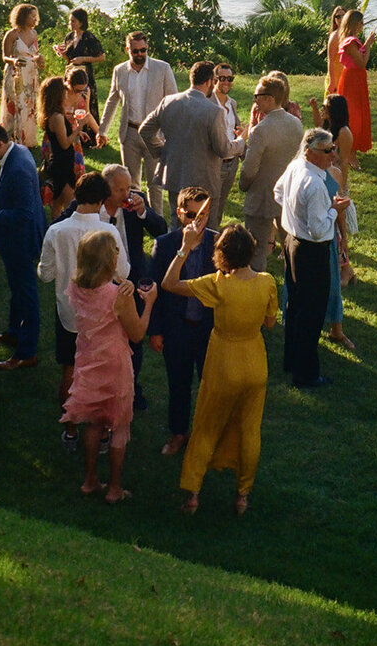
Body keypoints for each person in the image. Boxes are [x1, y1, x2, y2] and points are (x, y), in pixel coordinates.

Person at [162, 220, 278, 516]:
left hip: (224, 362)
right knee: (251, 430)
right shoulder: (267, 282)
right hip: (255, 364)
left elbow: (169, 283)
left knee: (205, 426)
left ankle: (192, 494)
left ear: (222, 255)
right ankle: (243, 496)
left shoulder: (217, 284)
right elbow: (269, 322)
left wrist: (184, 249)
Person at [60, 230, 157, 503]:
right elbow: (137, 334)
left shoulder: (77, 286)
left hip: (88, 360)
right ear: (108, 260)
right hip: (115, 364)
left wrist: (120, 284)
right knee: (119, 427)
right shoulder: (118, 296)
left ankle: (90, 479)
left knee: (93, 422)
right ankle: (115, 488)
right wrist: (149, 304)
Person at [38, 171, 128, 452]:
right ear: (102, 200)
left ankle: (70, 430)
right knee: (101, 373)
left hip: (69, 313)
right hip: (102, 315)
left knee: (71, 369)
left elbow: (45, 275)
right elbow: (123, 273)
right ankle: (100, 434)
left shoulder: (56, 230)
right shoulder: (109, 231)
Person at [274, 128, 350, 389]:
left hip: (292, 243)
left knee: (295, 305)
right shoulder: (317, 184)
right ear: (310, 151)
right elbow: (319, 229)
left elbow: (278, 192)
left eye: (334, 149)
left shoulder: (296, 166)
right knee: (312, 313)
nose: (333, 155)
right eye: (327, 150)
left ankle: (291, 360)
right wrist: (334, 209)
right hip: (312, 251)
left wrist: (295, 212)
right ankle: (306, 373)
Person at [0, 122, 47, 369]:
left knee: (26, 295)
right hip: (15, 240)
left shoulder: (19, 169)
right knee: (17, 289)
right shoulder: (18, 152)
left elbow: (24, 213)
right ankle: (14, 332)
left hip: (21, 242)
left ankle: (26, 352)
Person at [148, 187, 216, 457]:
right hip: (177, 328)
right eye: (191, 215)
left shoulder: (217, 242)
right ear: (179, 213)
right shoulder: (165, 244)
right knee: (178, 385)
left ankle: (207, 436)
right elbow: (154, 290)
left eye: (202, 216)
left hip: (209, 329)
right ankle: (179, 433)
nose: (196, 223)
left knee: (210, 386)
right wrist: (155, 330)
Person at [139, 61, 244, 229]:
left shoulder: (169, 102)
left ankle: (175, 254)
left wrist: (162, 152)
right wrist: (240, 142)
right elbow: (223, 150)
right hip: (204, 182)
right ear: (210, 81)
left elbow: (145, 130)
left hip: (175, 176)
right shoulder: (213, 111)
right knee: (206, 228)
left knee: (176, 222)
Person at [99, 163, 168, 412]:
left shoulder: (133, 205)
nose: (127, 194)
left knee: (133, 340)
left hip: (132, 280)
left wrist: (143, 213)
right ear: (106, 190)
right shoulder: (91, 208)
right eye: (120, 189)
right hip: (101, 285)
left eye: (129, 187)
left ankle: (132, 388)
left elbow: (161, 229)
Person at [98, 31, 177, 216]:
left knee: (155, 184)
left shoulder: (163, 68)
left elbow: (173, 101)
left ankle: (156, 221)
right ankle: (134, 220)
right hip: (130, 133)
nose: (140, 54)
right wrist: (102, 130)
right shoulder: (119, 70)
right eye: (135, 51)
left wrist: (171, 134)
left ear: (147, 48)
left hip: (155, 134)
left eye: (143, 50)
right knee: (130, 185)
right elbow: (112, 100)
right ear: (127, 49)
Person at [239, 76, 303, 272]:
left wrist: (243, 185)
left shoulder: (261, 130)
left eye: (257, 96)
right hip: (289, 194)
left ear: (269, 98)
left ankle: (258, 292)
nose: (255, 100)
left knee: (256, 250)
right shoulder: (296, 124)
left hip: (262, 195)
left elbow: (250, 168)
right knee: (293, 249)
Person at [308, 94, 354, 345]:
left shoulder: (344, 132)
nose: (323, 109)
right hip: (324, 176)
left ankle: (346, 269)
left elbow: (344, 161)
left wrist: (342, 189)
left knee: (337, 234)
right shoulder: (325, 128)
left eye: (326, 107)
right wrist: (317, 111)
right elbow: (315, 129)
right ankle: (348, 269)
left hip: (336, 182)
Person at [38, 76, 87, 218]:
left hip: (58, 162)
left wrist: (78, 132)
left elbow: (62, 134)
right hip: (63, 165)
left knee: (57, 204)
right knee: (71, 206)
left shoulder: (52, 114)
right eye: (64, 89)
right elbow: (65, 144)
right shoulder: (57, 116)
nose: (67, 92)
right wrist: (79, 127)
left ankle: (54, 231)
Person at [0, 4, 44, 148]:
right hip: (16, 73)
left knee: (30, 106)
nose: (34, 18)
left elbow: (34, 53)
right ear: (23, 16)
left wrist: (39, 58)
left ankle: (28, 140)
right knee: (16, 105)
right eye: (32, 16)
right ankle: (13, 140)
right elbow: (5, 57)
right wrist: (14, 60)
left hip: (31, 73)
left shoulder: (34, 34)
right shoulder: (12, 34)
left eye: (35, 16)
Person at [211, 62, 246, 225]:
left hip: (232, 163)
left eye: (230, 78)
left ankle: (214, 238)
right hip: (214, 163)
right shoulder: (208, 102)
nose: (226, 82)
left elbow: (233, 129)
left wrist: (240, 134)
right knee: (210, 206)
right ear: (214, 79)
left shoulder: (232, 103)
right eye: (222, 78)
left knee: (220, 208)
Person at [337, 10, 375, 159]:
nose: (362, 25)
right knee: (354, 116)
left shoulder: (351, 40)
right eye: (360, 22)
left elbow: (359, 58)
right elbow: (362, 62)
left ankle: (351, 150)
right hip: (353, 79)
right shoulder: (350, 42)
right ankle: (350, 152)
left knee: (357, 114)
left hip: (356, 78)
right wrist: (369, 45)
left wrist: (366, 44)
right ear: (354, 24)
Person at [56, 8, 105, 120]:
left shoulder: (89, 38)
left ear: (81, 22)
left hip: (84, 76)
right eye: (70, 21)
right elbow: (68, 57)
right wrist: (60, 52)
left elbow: (102, 57)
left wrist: (83, 59)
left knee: (84, 105)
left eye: (74, 21)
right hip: (70, 75)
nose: (70, 24)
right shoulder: (69, 37)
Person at [326, 5, 346, 94]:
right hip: (336, 75)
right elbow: (330, 60)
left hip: (346, 74)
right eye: (338, 16)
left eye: (343, 16)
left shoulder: (349, 34)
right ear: (334, 19)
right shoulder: (334, 36)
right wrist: (332, 81)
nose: (341, 18)